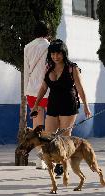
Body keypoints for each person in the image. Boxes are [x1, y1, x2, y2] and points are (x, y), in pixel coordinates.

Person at [31, 39, 92, 176]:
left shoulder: (72, 68)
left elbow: (80, 88)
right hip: (53, 104)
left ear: (64, 53)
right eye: (52, 54)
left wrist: (86, 106)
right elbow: (43, 87)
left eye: (58, 53)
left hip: (68, 104)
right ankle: (54, 159)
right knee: (48, 135)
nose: (55, 56)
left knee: (64, 137)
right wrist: (36, 104)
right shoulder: (48, 68)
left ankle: (62, 165)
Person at [24, 21, 50, 170]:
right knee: (51, 124)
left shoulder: (27, 47)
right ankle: (50, 157)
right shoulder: (50, 47)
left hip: (32, 91)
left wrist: (26, 91)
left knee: (37, 126)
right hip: (48, 90)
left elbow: (27, 71)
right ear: (47, 32)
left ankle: (40, 160)